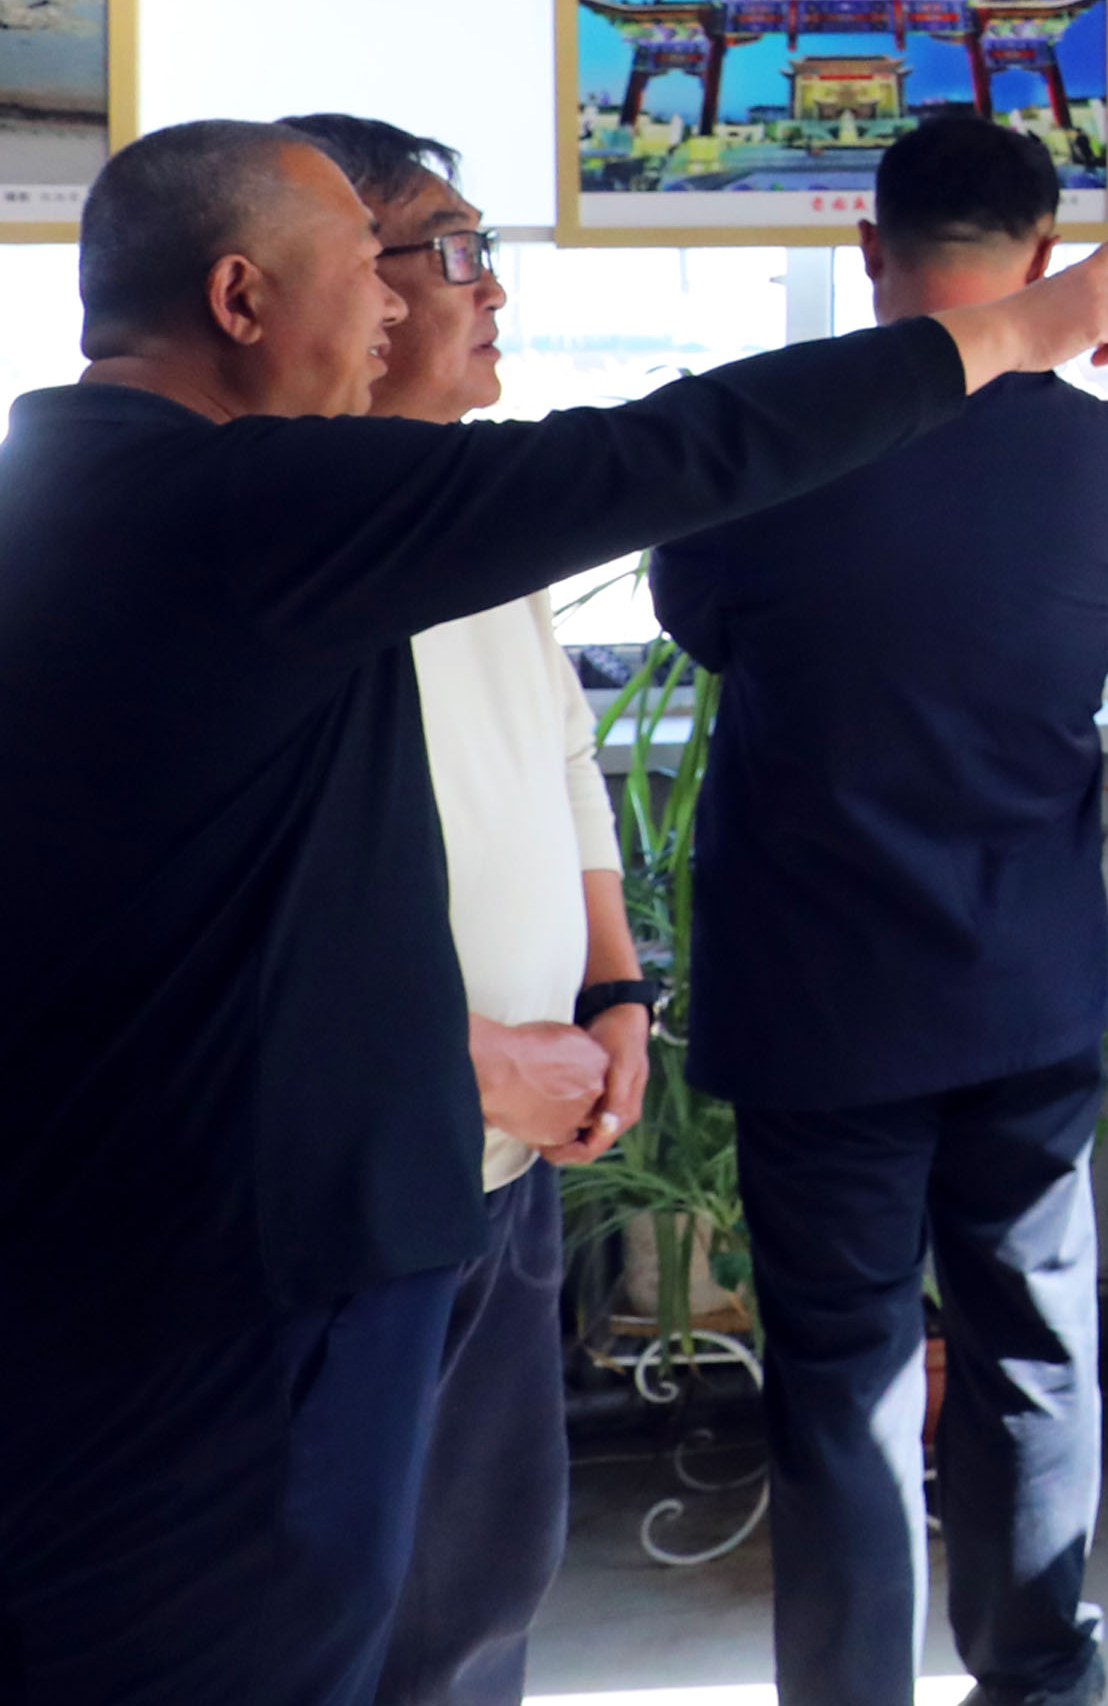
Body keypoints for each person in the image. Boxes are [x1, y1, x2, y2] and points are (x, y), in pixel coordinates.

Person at [0, 117, 1108, 1706]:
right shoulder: (247, 506)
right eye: (386, 270)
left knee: (489, 1582)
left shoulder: (102, 486)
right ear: (238, 297)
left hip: (373, 1182)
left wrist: (603, 990)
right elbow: (667, 454)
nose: (407, 306)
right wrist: (1027, 334)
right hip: (255, 1271)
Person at [652, 115, 1108, 1706]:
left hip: (819, 997)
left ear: (868, 248)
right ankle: (1041, 1682)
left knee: (845, 1380)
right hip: (1023, 981)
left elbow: (707, 624)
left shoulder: (762, 435)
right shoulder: (1099, 454)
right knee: (1035, 1352)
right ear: (1046, 259)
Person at [277, 115, 646, 1706]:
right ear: (335, 286)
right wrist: (477, 1062)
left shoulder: (478, 510)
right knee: (343, 1608)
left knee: (488, 1577)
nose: (492, 290)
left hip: (513, 1156)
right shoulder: (284, 541)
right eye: (454, 252)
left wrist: (618, 995)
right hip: (369, 1161)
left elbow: (561, 752)